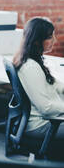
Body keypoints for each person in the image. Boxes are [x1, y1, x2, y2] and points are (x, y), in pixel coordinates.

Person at [13, 17, 64, 159]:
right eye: (49, 37)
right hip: (43, 124)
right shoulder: (30, 67)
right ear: (36, 40)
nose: (54, 39)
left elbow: (51, 83)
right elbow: (46, 108)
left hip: (45, 119)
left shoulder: (31, 59)